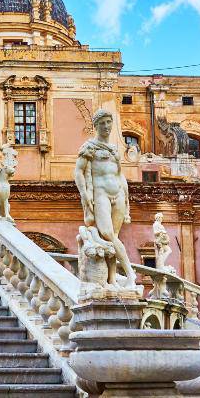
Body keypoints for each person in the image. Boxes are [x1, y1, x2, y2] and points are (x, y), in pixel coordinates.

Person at [74, 109, 135, 290]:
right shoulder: (89, 147)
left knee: (112, 238)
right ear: (96, 126)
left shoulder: (115, 148)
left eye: (109, 122)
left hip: (119, 194)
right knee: (107, 234)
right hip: (100, 193)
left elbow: (120, 175)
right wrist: (84, 194)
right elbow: (78, 171)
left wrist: (127, 200)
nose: (107, 126)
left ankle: (112, 279)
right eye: (103, 123)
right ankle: (130, 273)